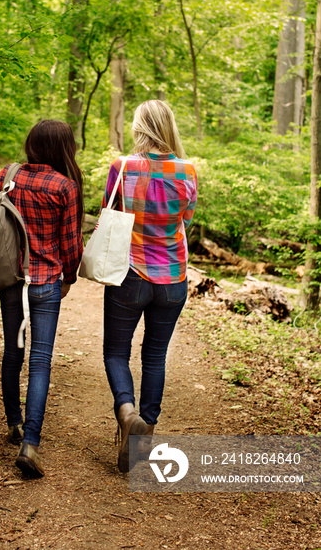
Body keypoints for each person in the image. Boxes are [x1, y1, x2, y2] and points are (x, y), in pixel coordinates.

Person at [102, 100, 197, 472]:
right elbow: (185, 219)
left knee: (115, 352)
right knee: (155, 357)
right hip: (173, 278)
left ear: (141, 127)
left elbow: (110, 215)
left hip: (131, 274)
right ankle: (147, 434)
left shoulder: (122, 167)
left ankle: (128, 417)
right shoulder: (187, 170)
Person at [0, 120, 84, 478]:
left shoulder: (6, 175)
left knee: (11, 351)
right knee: (40, 360)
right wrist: (70, 277)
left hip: (11, 278)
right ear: (64, 148)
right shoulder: (65, 187)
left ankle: (14, 422)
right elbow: (71, 245)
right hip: (45, 282)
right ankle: (30, 443)